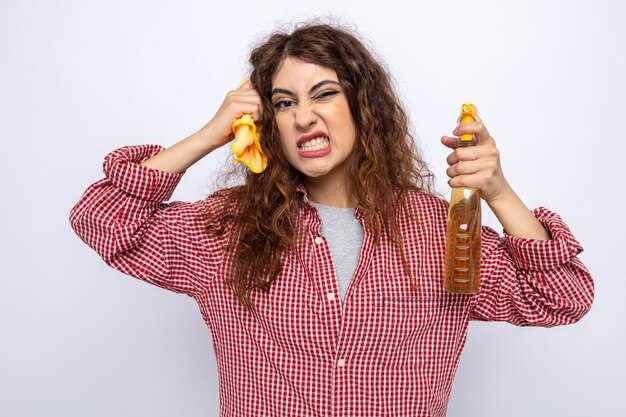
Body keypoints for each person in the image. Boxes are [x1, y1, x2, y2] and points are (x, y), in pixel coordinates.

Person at [68, 20, 594, 417]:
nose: (303, 115)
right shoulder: (227, 230)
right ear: (267, 123)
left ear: (364, 107)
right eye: (283, 102)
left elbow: (562, 299)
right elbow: (101, 216)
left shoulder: (440, 230)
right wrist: (211, 134)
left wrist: (498, 191)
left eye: (324, 94)